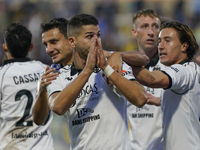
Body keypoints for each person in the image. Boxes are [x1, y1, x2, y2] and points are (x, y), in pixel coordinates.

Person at [46, 13, 147, 150]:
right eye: (89, 37)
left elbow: (140, 99)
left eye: (98, 35)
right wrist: (87, 71)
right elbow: (58, 107)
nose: (97, 41)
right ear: (72, 42)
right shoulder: (59, 76)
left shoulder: (113, 63)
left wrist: (106, 68)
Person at [132, 21, 200, 150]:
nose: (160, 46)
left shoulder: (183, 71)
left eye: (167, 41)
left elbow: (150, 79)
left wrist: (120, 59)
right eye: (159, 41)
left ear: (184, 46)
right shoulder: (192, 70)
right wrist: (161, 101)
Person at [0, 23, 54, 150]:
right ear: (31, 47)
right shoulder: (45, 70)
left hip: (12, 146)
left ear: (5, 47)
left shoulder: (2, 75)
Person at [128, 9, 164, 150]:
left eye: (155, 26)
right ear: (134, 32)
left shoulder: (171, 68)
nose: (151, 32)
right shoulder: (124, 69)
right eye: (144, 26)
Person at [32, 18, 73, 125]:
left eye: (54, 42)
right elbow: (38, 120)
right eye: (46, 45)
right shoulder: (52, 74)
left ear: (71, 40)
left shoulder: (99, 62)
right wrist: (42, 91)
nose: (48, 49)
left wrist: (118, 55)